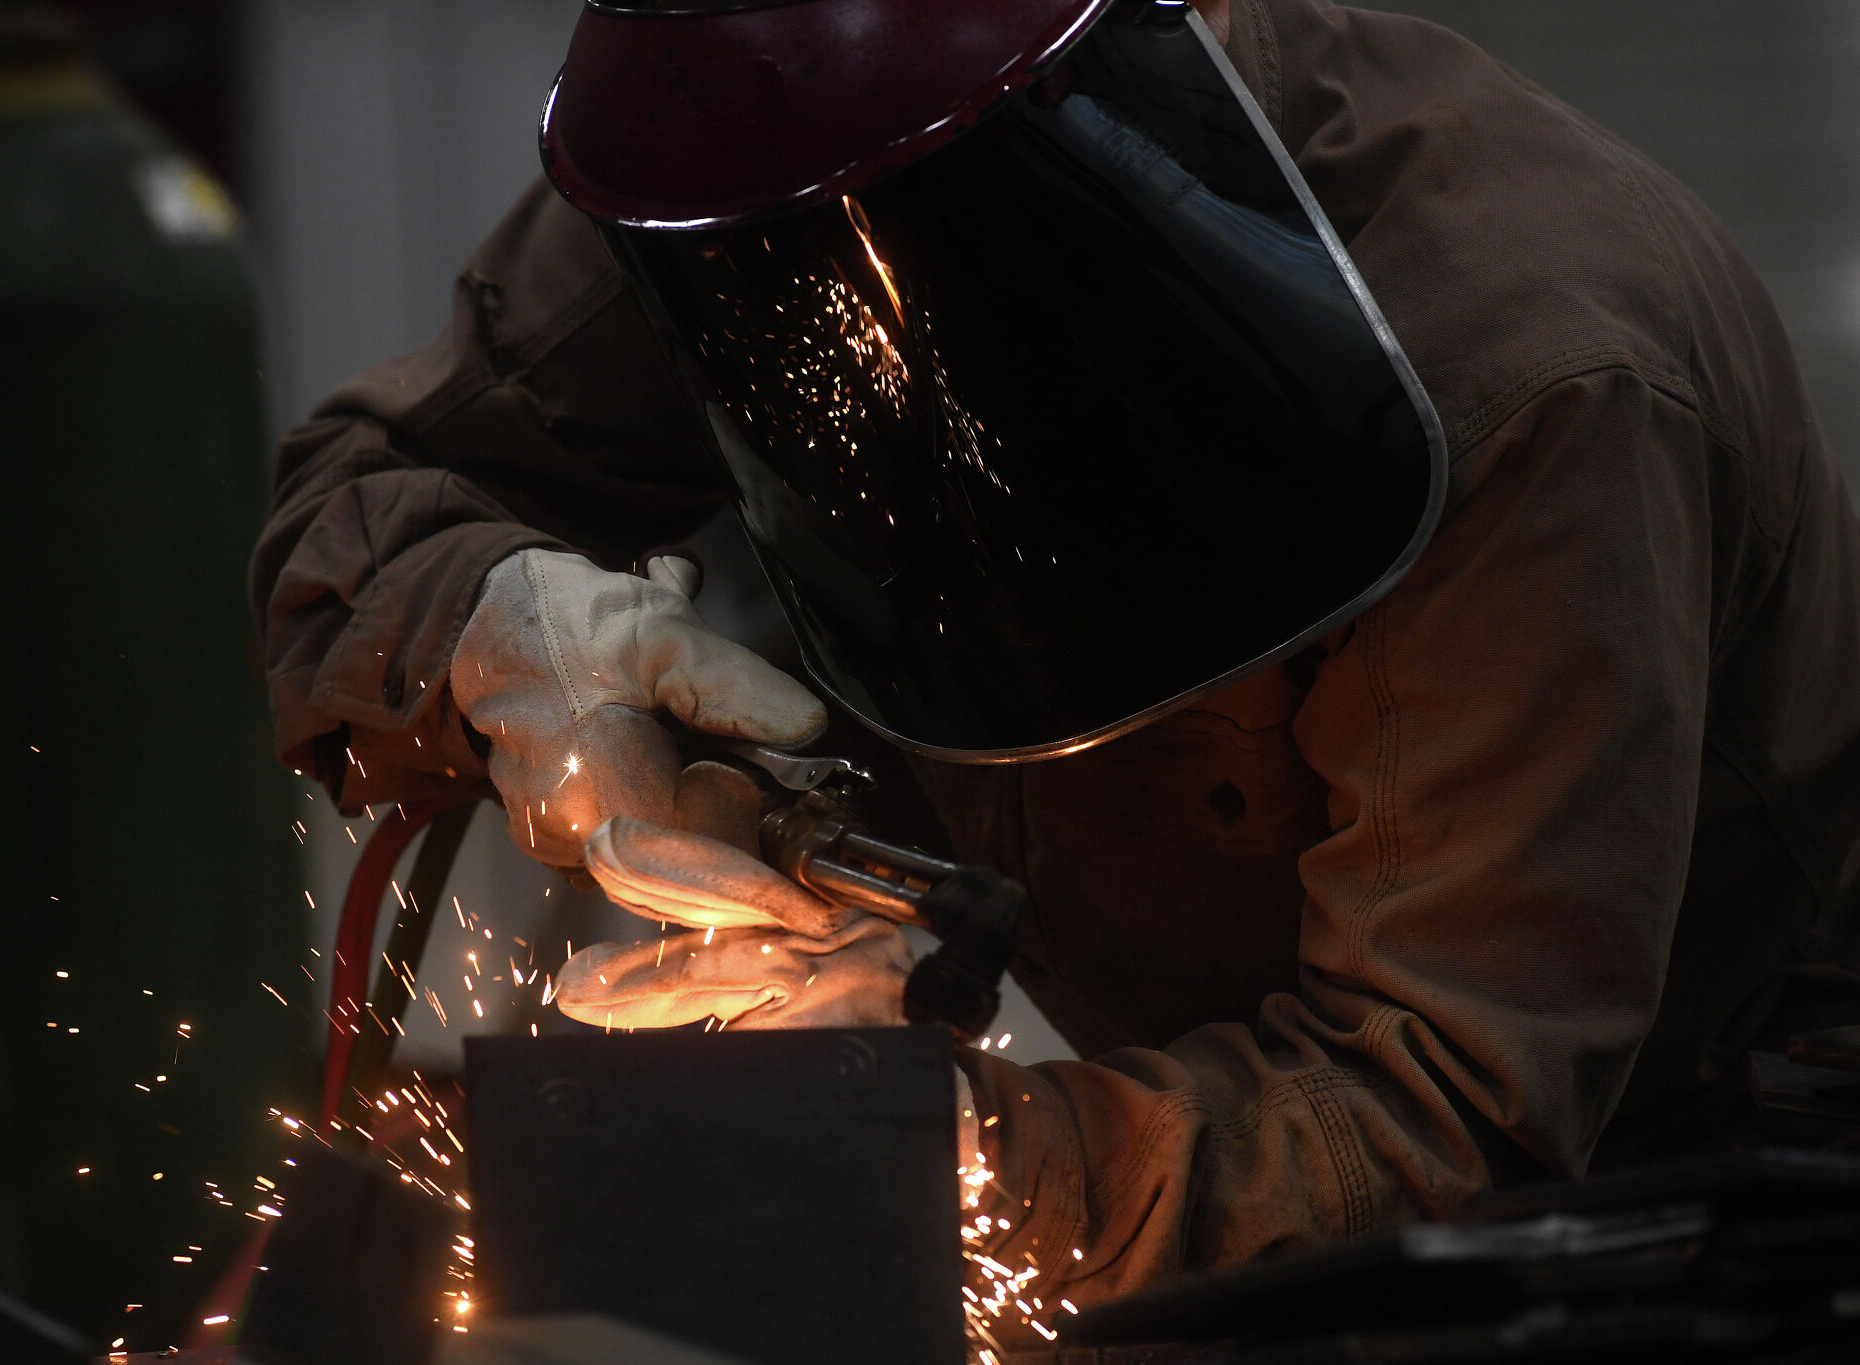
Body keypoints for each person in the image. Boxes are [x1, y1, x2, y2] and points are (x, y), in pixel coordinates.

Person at [251, 0, 1860, 1345]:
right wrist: (502, 642)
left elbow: (1440, 1115)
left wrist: (967, 1150)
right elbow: (361, 487)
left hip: (1665, 1173)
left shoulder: (1539, 391)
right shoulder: (751, 145)